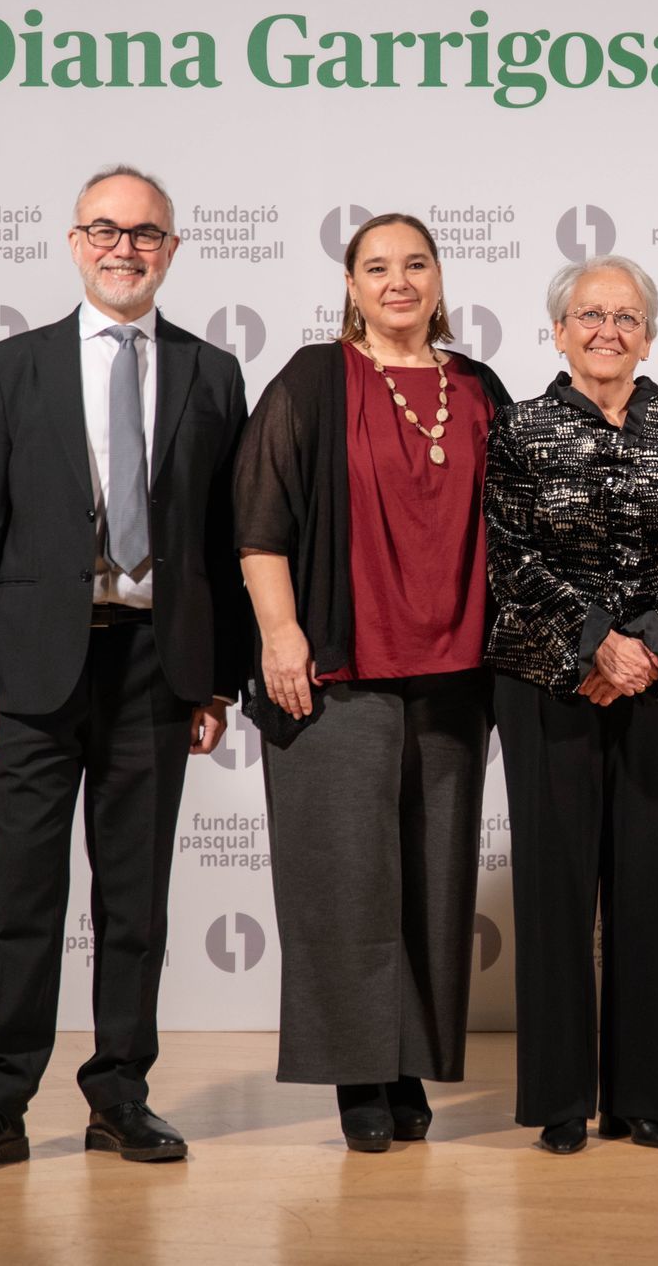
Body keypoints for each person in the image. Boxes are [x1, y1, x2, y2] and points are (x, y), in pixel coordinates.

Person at [0, 165, 247, 1178]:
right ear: (74, 242)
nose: (124, 247)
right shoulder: (12, 366)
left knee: (134, 899)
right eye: (105, 229)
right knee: (23, 895)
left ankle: (120, 1097)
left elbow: (226, 540)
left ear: (172, 249)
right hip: (28, 670)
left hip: (159, 664)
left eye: (145, 233)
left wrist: (219, 679)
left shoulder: (211, 372)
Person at [231, 212, 511, 1152]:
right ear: (350, 285)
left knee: (434, 880)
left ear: (439, 279)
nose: (399, 281)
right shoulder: (313, 379)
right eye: (378, 266)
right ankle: (358, 1073)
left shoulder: (478, 387)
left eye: (416, 264)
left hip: (458, 676)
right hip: (339, 670)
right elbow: (260, 522)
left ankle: (409, 1064)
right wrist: (280, 636)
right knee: (343, 880)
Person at [485, 255, 658, 1155]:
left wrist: (645, 647)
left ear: (649, 335)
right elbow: (509, 554)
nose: (607, 331)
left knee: (656, 890)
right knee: (554, 892)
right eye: (590, 315)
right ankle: (558, 1099)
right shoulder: (517, 429)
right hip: (548, 681)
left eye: (626, 317)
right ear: (558, 330)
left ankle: (648, 1097)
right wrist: (595, 642)